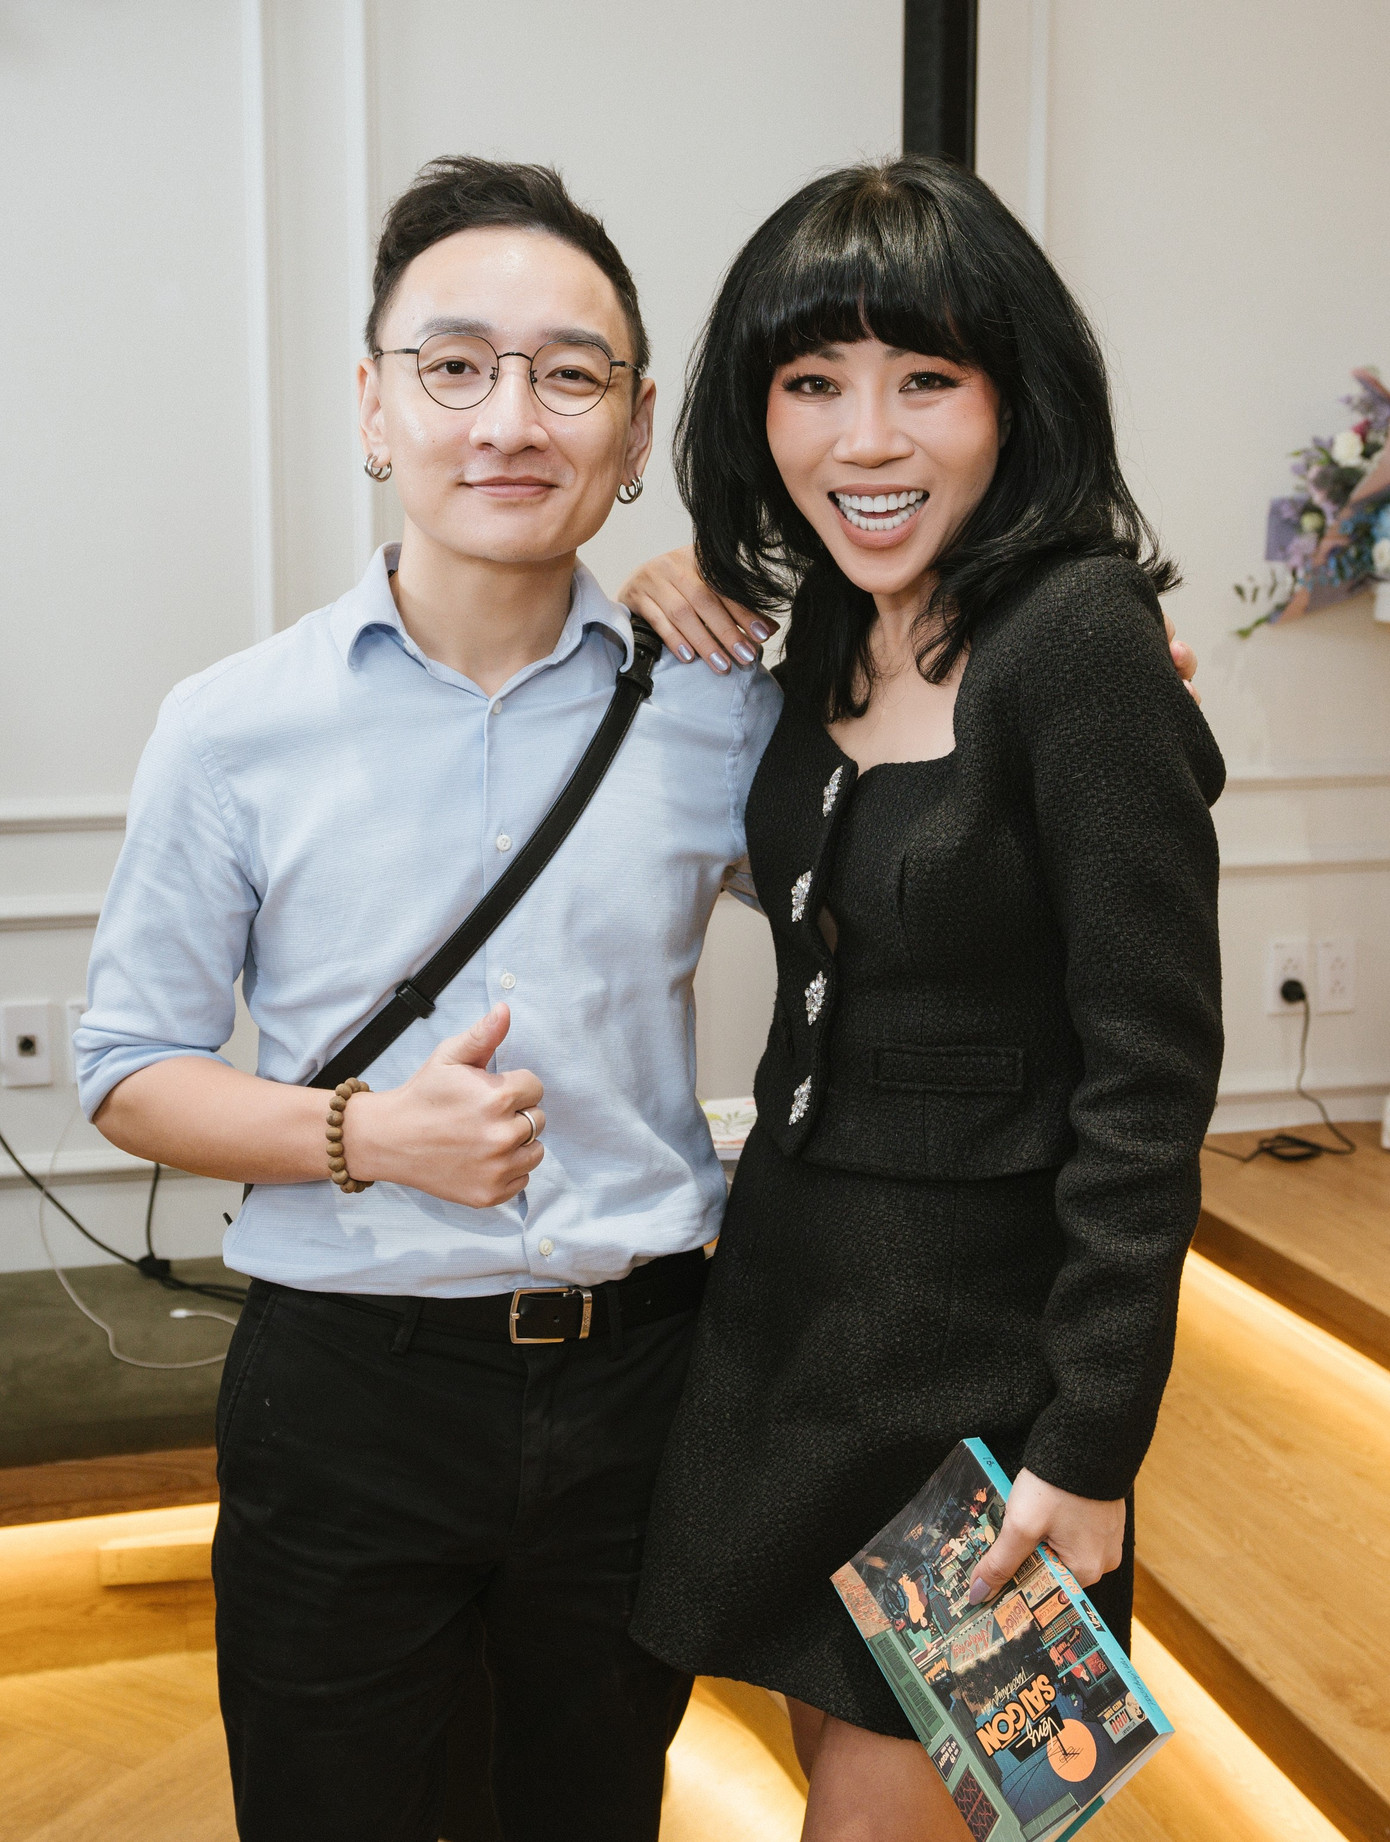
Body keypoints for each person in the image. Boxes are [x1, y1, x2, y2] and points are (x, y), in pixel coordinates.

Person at [76, 157, 785, 1842]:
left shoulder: (717, 708)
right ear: (374, 406)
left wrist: (1057, 691)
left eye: (569, 374)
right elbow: (128, 1067)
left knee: (587, 1812)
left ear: (633, 427)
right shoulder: (233, 725)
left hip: (638, 1384)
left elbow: (916, 882)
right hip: (349, 1389)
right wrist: (369, 1135)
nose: (509, 419)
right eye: (454, 365)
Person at [622, 155, 1225, 1842]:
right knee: (832, 1766)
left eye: (924, 380)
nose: (864, 438)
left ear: (1013, 397)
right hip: (792, 1330)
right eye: (812, 383)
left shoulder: (1077, 636)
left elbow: (1147, 1085)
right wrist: (654, 588)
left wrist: (1089, 1442)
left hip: (978, 1373)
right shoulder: (829, 621)